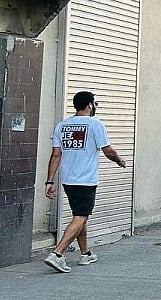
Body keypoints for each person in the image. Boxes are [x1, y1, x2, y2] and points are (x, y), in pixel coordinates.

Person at [43, 91, 126, 273]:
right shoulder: (95, 124)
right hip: (86, 180)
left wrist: (49, 181)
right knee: (81, 216)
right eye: (95, 103)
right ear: (89, 105)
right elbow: (108, 151)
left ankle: (85, 253)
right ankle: (57, 254)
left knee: (79, 215)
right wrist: (119, 160)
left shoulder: (62, 125)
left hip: (68, 180)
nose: (95, 106)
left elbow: (56, 155)